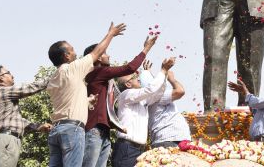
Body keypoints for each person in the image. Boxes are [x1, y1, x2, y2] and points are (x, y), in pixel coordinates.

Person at [46, 22, 126, 167]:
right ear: (66, 55)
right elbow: (96, 53)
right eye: (72, 49)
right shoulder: (73, 68)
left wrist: (87, 101)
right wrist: (111, 34)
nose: (75, 51)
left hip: (56, 130)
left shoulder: (53, 79)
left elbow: (68, 100)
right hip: (72, 129)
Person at [82, 35, 158, 167]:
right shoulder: (98, 71)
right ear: (98, 57)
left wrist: (146, 73)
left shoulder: (106, 80)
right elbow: (129, 68)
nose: (109, 56)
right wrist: (146, 48)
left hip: (103, 131)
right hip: (94, 128)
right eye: (105, 53)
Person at [112, 57, 175, 167]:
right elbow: (150, 90)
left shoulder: (141, 99)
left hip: (137, 149)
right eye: (135, 77)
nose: (139, 79)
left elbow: (157, 94)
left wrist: (164, 75)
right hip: (126, 148)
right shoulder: (126, 95)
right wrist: (163, 70)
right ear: (128, 84)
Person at [0, 66, 52, 167]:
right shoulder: (4, 91)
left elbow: (18, 122)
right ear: (1, 78)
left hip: (8, 140)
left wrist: (38, 126)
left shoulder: (2, 98)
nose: (12, 75)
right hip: (7, 140)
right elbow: (30, 87)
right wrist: (55, 75)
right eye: (8, 73)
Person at [140, 61, 191, 148]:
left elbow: (151, 84)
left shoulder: (149, 97)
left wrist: (147, 73)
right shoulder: (157, 96)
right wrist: (171, 79)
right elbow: (180, 91)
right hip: (170, 140)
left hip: (170, 139)